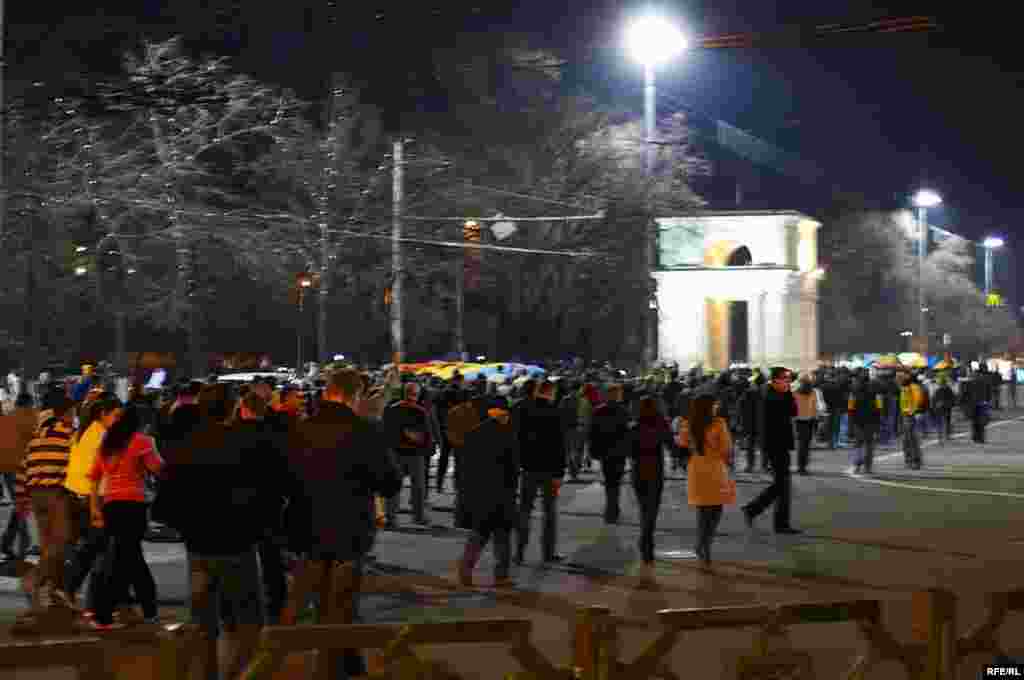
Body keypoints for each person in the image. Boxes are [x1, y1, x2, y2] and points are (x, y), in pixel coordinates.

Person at [156, 390, 291, 678]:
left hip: (199, 546)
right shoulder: (249, 444)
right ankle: (238, 674)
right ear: (233, 410)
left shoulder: (185, 446)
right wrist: (259, 526)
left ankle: (208, 674)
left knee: (203, 624)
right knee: (248, 622)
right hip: (238, 543)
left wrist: (187, 525)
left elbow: (164, 504)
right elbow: (273, 493)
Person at [284, 368, 402, 678]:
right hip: (348, 529)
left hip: (307, 527)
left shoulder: (300, 430)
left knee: (321, 602)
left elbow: (284, 479)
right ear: (355, 396)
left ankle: (346, 662)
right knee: (341, 604)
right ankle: (332, 667)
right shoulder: (363, 431)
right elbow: (389, 482)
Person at [87, 406, 164, 630]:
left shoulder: (107, 443)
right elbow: (158, 469)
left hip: (112, 506)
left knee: (126, 556)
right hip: (133, 506)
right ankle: (131, 611)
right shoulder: (142, 441)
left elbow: (94, 476)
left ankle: (111, 611)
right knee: (129, 559)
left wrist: (95, 508)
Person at [63, 395, 123, 613]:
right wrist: (96, 508)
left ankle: (80, 595)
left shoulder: (84, 432)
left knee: (94, 550)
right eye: (116, 416)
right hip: (91, 498)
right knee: (99, 551)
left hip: (76, 496)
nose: (119, 421)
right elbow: (96, 476)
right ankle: (87, 599)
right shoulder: (102, 436)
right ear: (103, 414)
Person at [18, 393, 75, 609]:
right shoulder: (67, 434)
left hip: (35, 494)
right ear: (66, 414)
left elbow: (23, 467)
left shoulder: (36, 435)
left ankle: (53, 594)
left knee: (47, 545)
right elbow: (72, 466)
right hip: (54, 492)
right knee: (60, 541)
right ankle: (33, 579)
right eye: (72, 413)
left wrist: (22, 498)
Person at [457, 401, 520, 588]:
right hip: (501, 492)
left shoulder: (474, 433)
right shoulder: (507, 435)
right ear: (500, 414)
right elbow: (512, 467)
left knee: (479, 533)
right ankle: (501, 576)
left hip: (480, 492)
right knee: (502, 535)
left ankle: (465, 570)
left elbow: (464, 466)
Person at [742, 368, 801, 535]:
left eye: (788, 380)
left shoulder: (778, 393)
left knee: (782, 485)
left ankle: (759, 512)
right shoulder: (770, 395)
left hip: (780, 444)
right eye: (785, 379)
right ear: (775, 380)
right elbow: (788, 411)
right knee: (782, 484)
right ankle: (759, 512)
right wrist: (787, 393)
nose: (788, 382)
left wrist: (787, 392)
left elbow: (794, 411)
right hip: (774, 444)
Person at [678, 394, 733, 567]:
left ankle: (702, 545)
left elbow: (682, 444)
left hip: (696, 468)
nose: (717, 407)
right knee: (716, 509)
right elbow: (726, 448)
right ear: (709, 407)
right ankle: (705, 544)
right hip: (716, 468)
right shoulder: (719, 423)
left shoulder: (687, 423)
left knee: (703, 511)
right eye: (715, 404)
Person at [516, 381, 565, 565]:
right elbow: (559, 444)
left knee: (525, 510)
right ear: (550, 392)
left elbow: (516, 437)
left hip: (528, 467)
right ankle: (548, 552)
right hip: (550, 468)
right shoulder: (554, 411)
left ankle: (520, 551)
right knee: (549, 511)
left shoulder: (523, 409)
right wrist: (560, 472)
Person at [630, 397, 672, 568]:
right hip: (655, 471)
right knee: (652, 509)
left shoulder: (634, 426)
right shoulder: (661, 424)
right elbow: (671, 445)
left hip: (638, 471)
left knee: (644, 508)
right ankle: (646, 541)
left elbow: (628, 450)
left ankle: (645, 540)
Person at [382, 382, 431, 527]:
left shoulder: (392, 409)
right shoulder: (420, 411)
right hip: (414, 453)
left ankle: (391, 517)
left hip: (395, 451)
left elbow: (386, 430)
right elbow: (425, 435)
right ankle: (418, 516)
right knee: (418, 487)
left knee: (394, 486)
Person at [589, 384, 631, 525]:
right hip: (617, 451)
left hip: (606, 451)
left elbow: (593, 433)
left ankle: (611, 508)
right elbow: (627, 433)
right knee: (615, 481)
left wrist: (593, 451)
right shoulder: (623, 411)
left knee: (610, 481)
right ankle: (613, 508)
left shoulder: (599, 411)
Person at [847, 377, 882, 475]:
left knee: (858, 443)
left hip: (857, 421)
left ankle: (856, 466)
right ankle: (868, 467)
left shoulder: (853, 392)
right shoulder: (875, 391)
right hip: (871, 420)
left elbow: (850, 408)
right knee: (869, 444)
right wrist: (878, 421)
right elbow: (879, 407)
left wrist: (851, 422)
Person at [792, 375, 818, 476]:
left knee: (802, 445)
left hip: (798, 420)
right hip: (810, 420)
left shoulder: (795, 393)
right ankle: (803, 467)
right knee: (805, 445)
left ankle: (801, 467)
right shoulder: (813, 392)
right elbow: (815, 406)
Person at [899, 372, 925, 470]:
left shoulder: (913, 387)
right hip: (905, 415)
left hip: (910, 416)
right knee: (906, 439)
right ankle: (909, 460)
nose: (901, 378)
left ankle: (915, 461)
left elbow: (918, 400)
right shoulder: (905, 387)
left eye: (904, 376)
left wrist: (912, 411)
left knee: (911, 439)